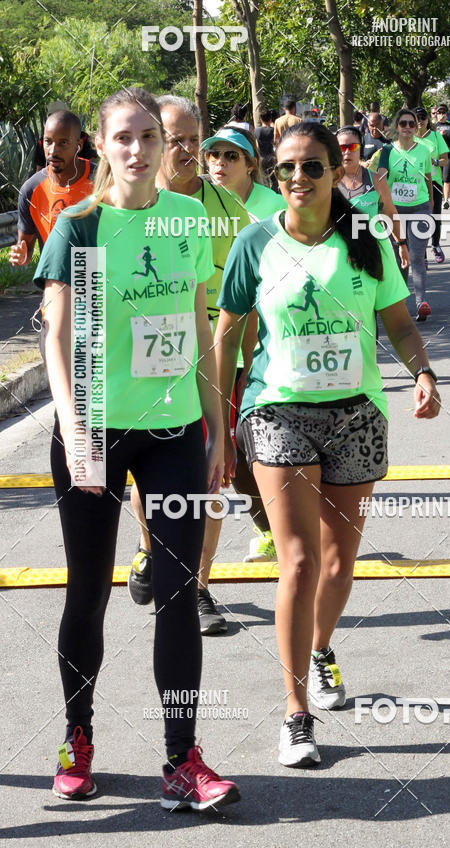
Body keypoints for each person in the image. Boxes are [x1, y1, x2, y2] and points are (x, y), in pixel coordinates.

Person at [34, 86, 240, 811]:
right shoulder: (81, 227)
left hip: (175, 431)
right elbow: (54, 340)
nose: (138, 150)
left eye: (149, 137)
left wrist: (218, 428)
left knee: (179, 593)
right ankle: (77, 737)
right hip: (94, 428)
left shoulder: (187, 220)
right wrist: (75, 429)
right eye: (123, 137)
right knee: (87, 592)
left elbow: (199, 326)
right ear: (103, 146)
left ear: (164, 144)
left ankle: (183, 760)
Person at [214, 121, 441, 767]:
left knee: (340, 566)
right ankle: (295, 714)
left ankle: (320, 652)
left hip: (356, 416)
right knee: (301, 563)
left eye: (311, 167)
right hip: (279, 412)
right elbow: (227, 334)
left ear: (333, 171)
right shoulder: (254, 243)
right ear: (272, 174)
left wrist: (421, 372)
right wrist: (221, 419)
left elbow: (397, 323)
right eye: (286, 168)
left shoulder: (366, 242)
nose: (298, 179)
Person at [125, 95, 269, 635]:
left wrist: (249, 368)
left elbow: (246, 298)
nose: (186, 149)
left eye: (193, 139)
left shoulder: (231, 212)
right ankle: (147, 548)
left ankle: (199, 588)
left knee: (211, 474)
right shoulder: (131, 205)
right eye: (174, 138)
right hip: (146, 358)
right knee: (152, 473)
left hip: (213, 355)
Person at [203, 124, 285, 562]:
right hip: (211, 345)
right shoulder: (193, 206)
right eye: (213, 154)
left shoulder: (272, 206)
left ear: (251, 162)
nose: (220, 163)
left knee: (251, 447)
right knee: (220, 451)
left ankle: (280, 527)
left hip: (263, 344)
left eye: (231, 156)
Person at [371, 109, 434, 321]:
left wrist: (431, 206)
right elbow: (377, 177)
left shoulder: (424, 151)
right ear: (397, 127)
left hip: (420, 208)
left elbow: (427, 180)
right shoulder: (387, 151)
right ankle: (400, 306)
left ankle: (421, 303)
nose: (408, 127)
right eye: (403, 123)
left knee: (416, 255)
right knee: (400, 259)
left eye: (412, 124)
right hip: (393, 211)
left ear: (417, 128)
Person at [10, 110, 94, 268]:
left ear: (78, 145)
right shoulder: (31, 190)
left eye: (63, 143)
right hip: (53, 278)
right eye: (48, 141)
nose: (53, 151)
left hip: (94, 277)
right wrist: (21, 255)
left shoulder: (102, 181)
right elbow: (25, 246)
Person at [335, 124, 409, 277]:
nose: (347, 152)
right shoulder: (327, 183)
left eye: (352, 146)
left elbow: (390, 212)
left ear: (360, 149)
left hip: (373, 254)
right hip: (339, 258)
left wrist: (401, 244)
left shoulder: (375, 180)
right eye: (342, 148)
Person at [202, 124, 285, 223]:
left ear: (251, 164)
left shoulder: (277, 207)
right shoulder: (199, 205)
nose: (220, 161)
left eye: (231, 156)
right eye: (214, 154)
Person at [416, 107, 449, 262]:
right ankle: (421, 253)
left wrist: (434, 162)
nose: (420, 121)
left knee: (435, 215)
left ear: (428, 120)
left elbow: (445, 159)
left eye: (423, 117)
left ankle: (435, 245)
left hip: (434, 181)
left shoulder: (436, 137)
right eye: (417, 118)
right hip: (415, 183)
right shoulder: (409, 139)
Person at [433, 104, 450, 208]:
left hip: (449, 153)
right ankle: (438, 197)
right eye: (439, 113)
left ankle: (446, 200)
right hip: (437, 155)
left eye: (443, 113)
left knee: (447, 178)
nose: (441, 115)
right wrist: (439, 135)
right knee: (439, 178)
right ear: (436, 114)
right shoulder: (433, 127)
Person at [255, 106, 276, 188]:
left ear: (261, 119)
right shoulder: (273, 130)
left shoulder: (256, 130)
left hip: (261, 157)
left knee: (263, 179)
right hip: (271, 156)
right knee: (273, 179)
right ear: (270, 119)